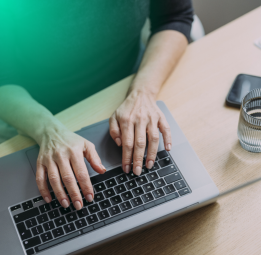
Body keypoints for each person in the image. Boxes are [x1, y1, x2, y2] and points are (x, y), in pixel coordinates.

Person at [0, 0, 194, 210]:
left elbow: (175, 17)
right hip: (36, 112)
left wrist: (142, 94)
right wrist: (48, 131)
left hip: (131, 85)